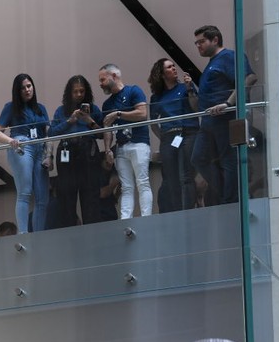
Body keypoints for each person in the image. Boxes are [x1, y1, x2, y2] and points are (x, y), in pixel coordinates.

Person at [190, 25, 257, 205]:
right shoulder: (212, 64)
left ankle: (232, 200)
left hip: (226, 117)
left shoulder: (228, 57)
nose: (198, 46)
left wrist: (228, 103)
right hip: (209, 121)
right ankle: (226, 194)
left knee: (229, 160)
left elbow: (248, 78)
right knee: (198, 158)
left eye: (202, 41)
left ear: (215, 40)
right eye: (196, 43)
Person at [0, 73, 50, 233]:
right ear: (17, 91)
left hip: (40, 148)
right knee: (25, 192)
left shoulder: (41, 108)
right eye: (22, 88)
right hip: (22, 145)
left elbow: (48, 135)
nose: (27, 90)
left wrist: (49, 155)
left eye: (29, 86)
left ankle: (39, 235)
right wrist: (10, 141)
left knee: (43, 199)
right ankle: (24, 234)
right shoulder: (11, 107)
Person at [50, 75, 106, 228]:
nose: (79, 95)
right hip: (67, 152)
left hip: (88, 151)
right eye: (75, 92)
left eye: (82, 91)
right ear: (69, 93)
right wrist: (70, 121)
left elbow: (102, 134)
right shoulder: (61, 111)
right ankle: (70, 233)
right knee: (67, 196)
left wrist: (90, 121)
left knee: (91, 196)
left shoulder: (93, 109)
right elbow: (52, 134)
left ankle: (93, 233)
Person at [101, 64, 152, 219]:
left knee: (142, 183)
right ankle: (125, 221)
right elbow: (107, 128)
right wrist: (108, 149)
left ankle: (147, 219)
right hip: (121, 147)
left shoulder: (133, 91)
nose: (101, 83)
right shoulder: (107, 104)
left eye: (103, 79)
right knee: (126, 187)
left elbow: (142, 114)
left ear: (114, 76)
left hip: (139, 143)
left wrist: (118, 114)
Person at [148, 58, 200, 212]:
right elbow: (152, 122)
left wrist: (190, 88)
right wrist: (162, 136)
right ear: (162, 74)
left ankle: (188, 210)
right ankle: (176, 211)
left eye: (173, 65)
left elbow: (196, 107)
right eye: (169, 67)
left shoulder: (185, 88)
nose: (174, 68)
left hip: (188, 132)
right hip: (169, 137)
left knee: (186, 176)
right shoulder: (157, 97)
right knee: (171, 178)